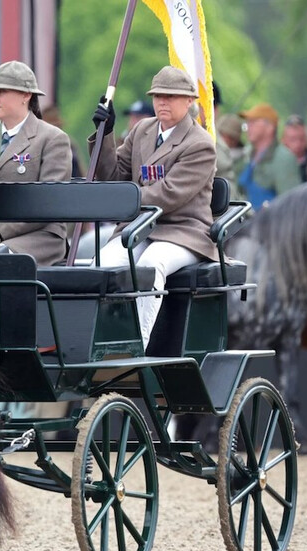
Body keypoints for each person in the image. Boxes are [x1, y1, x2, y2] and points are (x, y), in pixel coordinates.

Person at [89, 65, 217, 349]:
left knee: (151, 265)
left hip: (182, 232)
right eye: (158, 95)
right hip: (138, 228)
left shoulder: (200, 144)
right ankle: (97, 342)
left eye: (171, 96)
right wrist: (104, 134)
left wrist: (126, 201)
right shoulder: (142, 131)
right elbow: (112, 176)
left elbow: (170, 194)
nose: (162, 102)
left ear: (189, 102)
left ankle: (135, 345)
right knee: (101, 264)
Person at [0, 60, 72, 265]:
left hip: (39, 236)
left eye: (1, 91)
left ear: (26, 95)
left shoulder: (52, 138)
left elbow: (48, 203)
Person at [236, 102, 301, 210]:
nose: (248, 127)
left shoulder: (284, 158)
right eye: (247, 123)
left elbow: (292, 204)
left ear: (270, 127)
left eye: (253, 122)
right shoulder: (248, 154)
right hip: (245, 224)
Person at [282, 114, 307, 183]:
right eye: (293, 140)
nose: (298, 144)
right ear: (284, 140)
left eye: (301, 139)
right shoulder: (277, 163)